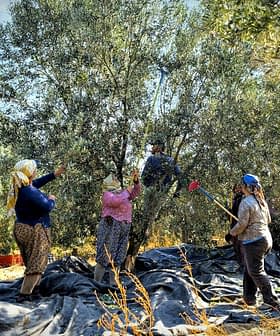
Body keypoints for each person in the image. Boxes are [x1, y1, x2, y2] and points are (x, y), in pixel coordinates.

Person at [6, 159, 65, 303]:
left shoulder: (20, 186)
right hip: (35, 229)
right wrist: (51, 199)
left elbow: (37, 183)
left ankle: (35, 292)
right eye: (34, 169)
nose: (36, 171)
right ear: (30, 173)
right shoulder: (29, 191)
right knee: (37, 264)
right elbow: (46, 207)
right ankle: (24, 295)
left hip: (21, 227)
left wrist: (54, 175)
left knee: (31, 261)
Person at [125, 138, 182, 270]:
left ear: (159, 147)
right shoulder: (170, 160)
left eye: (154, 145)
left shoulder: (151, 159)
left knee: (145, 217)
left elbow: (144, 178)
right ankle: (144, 235)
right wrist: (176, 193)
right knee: (149, 219)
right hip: (163, 193)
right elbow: (181, 177)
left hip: (152, 192)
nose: (151, 147)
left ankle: (142, 237)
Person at [228, 174, 279, 308]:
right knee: (249, 268)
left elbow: (242, 224)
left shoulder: (246, 202)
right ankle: (249, 299)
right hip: (265, 239)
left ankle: (272, 301)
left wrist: (231, 233)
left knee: (256, 271)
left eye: (242, 184)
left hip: (254, 241)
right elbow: (268, 220)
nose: (240, 186)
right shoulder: (261, 201)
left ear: (246, 186)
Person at [94, 169, 141, 286]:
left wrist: (135, 182)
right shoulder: (107, 194)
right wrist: (126, 192)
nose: (116, 180)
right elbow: (114, 202)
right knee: (105, 255)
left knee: (118, 256)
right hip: (111, 228)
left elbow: (135, 193)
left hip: (124, 227)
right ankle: (96, 284)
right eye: (114, 179)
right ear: (109, 182)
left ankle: (113, 284)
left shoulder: (121, 193)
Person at [225, 183, 244, 266]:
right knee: (236, 246)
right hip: (234, 225)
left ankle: (243, 264)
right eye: (236, 188)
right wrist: (228, 212)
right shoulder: (235, 199)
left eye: (239, 188)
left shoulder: (243, 199)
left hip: (240, 226)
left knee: (241, 246)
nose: (237, 190)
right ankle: (240, 264)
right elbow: (231, 215)